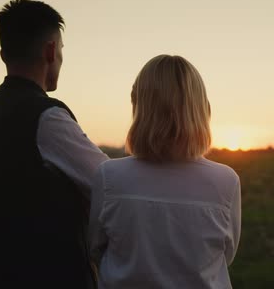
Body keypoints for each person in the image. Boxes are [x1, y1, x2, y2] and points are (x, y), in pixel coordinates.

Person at [0, 0, 108, 289]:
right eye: (62, 50)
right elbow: (111, 184)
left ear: (3, 54)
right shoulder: (47, 118)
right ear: (51, 50)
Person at [89, 55, 242, 288]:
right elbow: (225, 256)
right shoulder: (225, 182)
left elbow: (97, 249)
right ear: (202, 109)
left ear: (138, 106)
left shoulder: (108, 176)